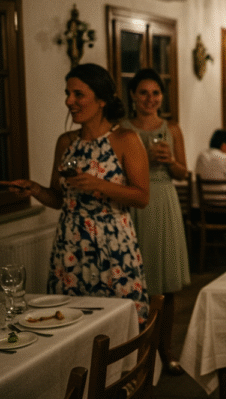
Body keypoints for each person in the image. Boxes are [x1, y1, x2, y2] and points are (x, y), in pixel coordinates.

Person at [8, 63, 149, 322]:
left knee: (118, 322)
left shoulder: (125, 139)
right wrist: (35, 190)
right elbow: (60, 199)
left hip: (113, 245)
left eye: (78, 94)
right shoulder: (66, 142)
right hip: (71, 244)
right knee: (70, 320)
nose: (69, 101)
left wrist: (99, 185)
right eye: (67, 93)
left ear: (102, 99)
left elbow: (142, 197)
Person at [122, 68, 190, 374]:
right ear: (133, 96)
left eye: (156, 93)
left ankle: (166, 350)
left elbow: (183, 174)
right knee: (135, 283)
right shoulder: (121, 129)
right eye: (143, 93)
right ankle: (135, 352)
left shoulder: (171, 129)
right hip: (134, 203)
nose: (150, 99)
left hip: (163, 200)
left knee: (166, 283)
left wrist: (170, 161)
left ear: (162, 96)